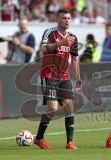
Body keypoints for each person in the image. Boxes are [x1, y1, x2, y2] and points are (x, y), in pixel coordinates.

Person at [34, 8, 83, 150]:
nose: (67, 21)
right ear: (57, 19)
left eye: (68, 18)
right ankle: (39, 138)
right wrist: (59, 44)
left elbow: (74, 59)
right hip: (49, 75)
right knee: (53, 107)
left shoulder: (73, 37)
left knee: (69, 105)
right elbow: (43, 49)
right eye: (63, 18)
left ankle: (70, 142)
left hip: (64, 76)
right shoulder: (50, 33)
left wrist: (78, 77)